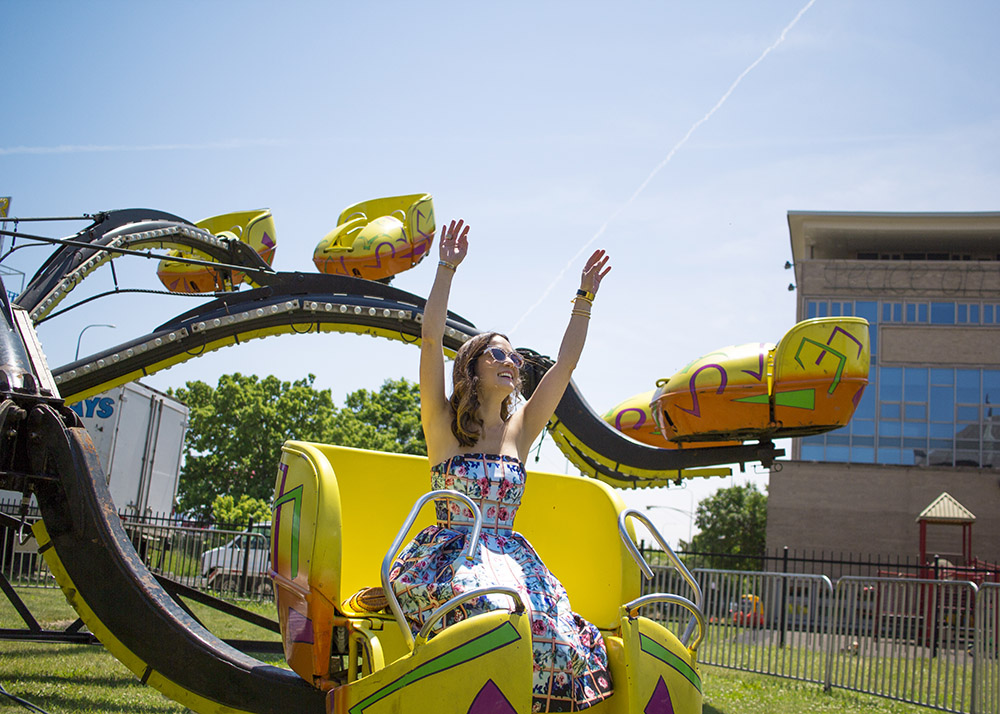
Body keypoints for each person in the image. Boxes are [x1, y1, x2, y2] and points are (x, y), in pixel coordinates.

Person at [388, 219, 612, 712]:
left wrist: (585, 298)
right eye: (497, 354)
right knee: (491, 612)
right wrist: (445, 267)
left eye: (514, 356)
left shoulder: (522, 428)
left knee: (551, 631)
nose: (510, 362)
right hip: (452, 554)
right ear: (472, 365)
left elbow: (565, 366)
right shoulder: (442, 423)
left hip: (510, 556)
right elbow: (429, 341)